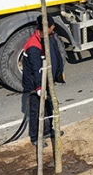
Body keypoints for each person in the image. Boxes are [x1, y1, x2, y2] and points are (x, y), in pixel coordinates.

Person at [23, 15, 65, 147]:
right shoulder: (33, 46)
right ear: (46, 28)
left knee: (49, 106)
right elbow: (36, 70)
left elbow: (55, 55)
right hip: (36, 84)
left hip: (47, 80)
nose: (53, 28)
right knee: (36, 111)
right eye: (52, 26)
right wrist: (39, 88)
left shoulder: (49, 38)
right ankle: (35, 137)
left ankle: (47, 130)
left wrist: (58, 73)